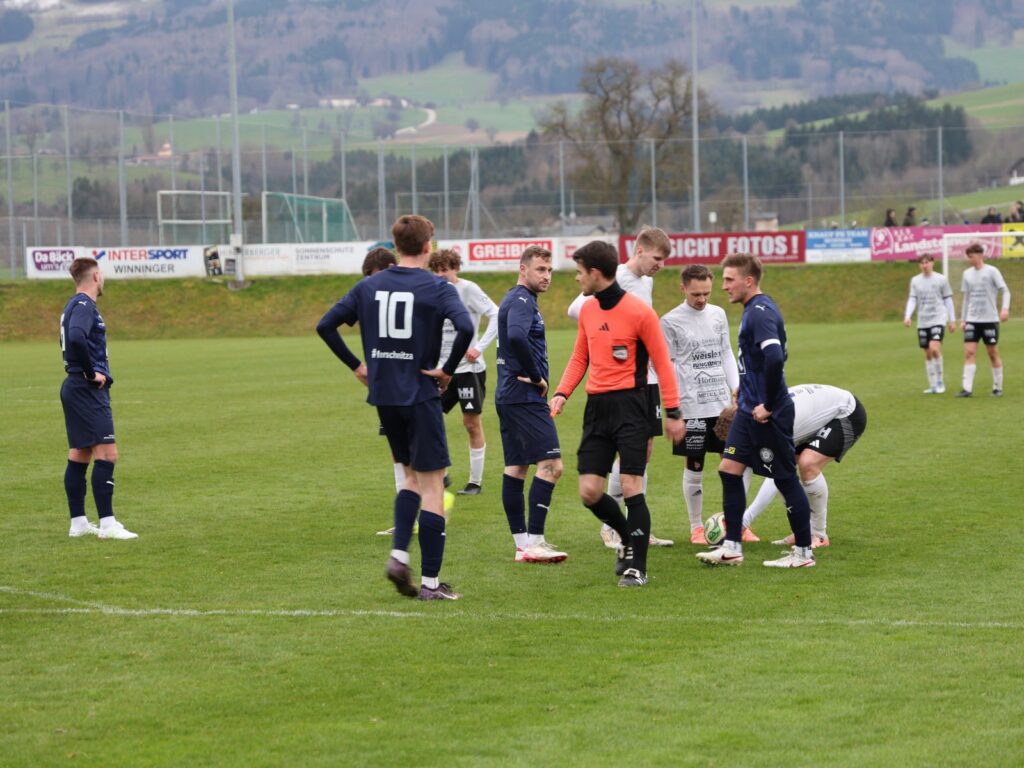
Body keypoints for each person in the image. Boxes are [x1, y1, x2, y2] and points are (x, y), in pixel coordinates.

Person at [317, 214, 474, 601]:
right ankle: (431, 584)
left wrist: (357, 366)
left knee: (409, 479)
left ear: (396, 246)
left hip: (385, 395)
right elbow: (466, 327)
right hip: (420, 393)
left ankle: (399, 556)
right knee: (433, 485)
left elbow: (326, 325)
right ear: (428, 247)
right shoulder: (437, 287)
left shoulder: (368, 285)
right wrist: (447, 370)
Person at [551, 241, 685, 587]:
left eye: (580, 273)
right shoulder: (588, 310)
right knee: (589, 491)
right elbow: (580, 356)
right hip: (597, 409)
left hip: (632, 407)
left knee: (630, 486)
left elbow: (663, 363)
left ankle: (637, 567)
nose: (577, 279)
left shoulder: (640, 312)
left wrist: (673, 411)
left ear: (595, 273)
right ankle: (627, 536)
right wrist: (562, 392)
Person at [696, 253, 816, 569]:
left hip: (768, 414)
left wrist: (770, 405)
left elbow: (775, 358)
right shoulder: (753, 310)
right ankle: (732, 547)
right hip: (748, 410)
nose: (724, 286)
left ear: (748, 281)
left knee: (785, 478)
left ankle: (804, 553)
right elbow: (762, 360)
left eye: (729, 280)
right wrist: (745, 386)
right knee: (729, 469)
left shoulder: (760, 312)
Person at [567, 227, 674, 549]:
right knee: (625, 454)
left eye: (664, 260)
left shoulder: (646, 281)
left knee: (644, 452)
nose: (660, 265)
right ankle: (611, 527)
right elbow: (576, 309)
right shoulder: (620, 278)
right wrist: (609, 335)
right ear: (639, 251)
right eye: (657, 258)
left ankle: (636, 526)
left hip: (646, 379)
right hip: (621, 384)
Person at [660, 264, 749, 545]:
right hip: (692, 407)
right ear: (683, 288)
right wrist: (674, 405)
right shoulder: (670, 321)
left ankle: (737, 523)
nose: (701, 299)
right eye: (696, 294)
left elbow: (725, 353)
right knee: (695, 466)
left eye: (706, 293)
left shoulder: (718, 314)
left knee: (735, 464)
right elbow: (667, 365)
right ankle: (696, 527)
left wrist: (736, 387)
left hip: (723, 408)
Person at [720, 383, 867, 548]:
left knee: (807, 464)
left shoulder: (774, 426)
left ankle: (818, 535)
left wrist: (744, 521)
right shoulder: (755, 415)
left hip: (846, 413)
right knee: (786, 472)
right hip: (815, 413)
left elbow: (777, 474)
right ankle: (803, 532)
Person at [494, 245, 568, 564]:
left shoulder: (515, 298)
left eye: (549, 270)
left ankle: (522, 546)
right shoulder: (522, 300)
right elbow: (516, 336)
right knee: (552, 466)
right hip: (524, 396)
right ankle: (535, 541)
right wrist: (537, 377)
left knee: (517, 467)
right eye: (540, 269)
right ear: (523, 269)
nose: (546, 275)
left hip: (509, 395)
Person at [59, 257, 138, 540]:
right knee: (107, 454)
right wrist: (91, 373)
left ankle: (78, 523)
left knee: (80, 454)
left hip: (75, 387)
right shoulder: (84, 305)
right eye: (101, 274)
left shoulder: (73, 305)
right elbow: (76, 337)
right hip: (86, 388)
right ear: (95, 277)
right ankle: (107, 524)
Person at [428, 249, 499, 495]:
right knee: (428, 418)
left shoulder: (468, 289)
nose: (440, 274)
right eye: (436, 270)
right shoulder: (431, 292)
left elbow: (496, 314)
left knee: (471, 424)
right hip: (441, 370)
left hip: (469, 369)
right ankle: (442, 473)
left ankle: (474, 483)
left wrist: (479, 347)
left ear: (456, 268)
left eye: (445, 269)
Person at [957, 243, 1011, 397]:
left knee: (992, 353)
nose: (969, 259)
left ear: (980, 255)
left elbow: (1005, 291)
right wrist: (963, 319)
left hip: (989, 320)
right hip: (972, 320)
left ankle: (997, 387)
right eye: (968, 257)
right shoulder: (967, 274)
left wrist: (1005, 309)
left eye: (971, 256)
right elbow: (967, 298)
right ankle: (967, 389)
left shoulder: (992, 271)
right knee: (969, 352)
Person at [903, 253, 956, 394]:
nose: (925, 265)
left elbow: (948, 299)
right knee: (927, 353)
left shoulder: (941, 279)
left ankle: (940, 381)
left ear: (933, 263)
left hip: (938, 318)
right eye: (922, 263)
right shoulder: (915, 281)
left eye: (927, 262)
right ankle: (932, 385)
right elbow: (913, 299)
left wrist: (952, 320)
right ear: (919, 265)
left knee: (934, 348)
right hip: (923, 321)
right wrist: (907, 316)